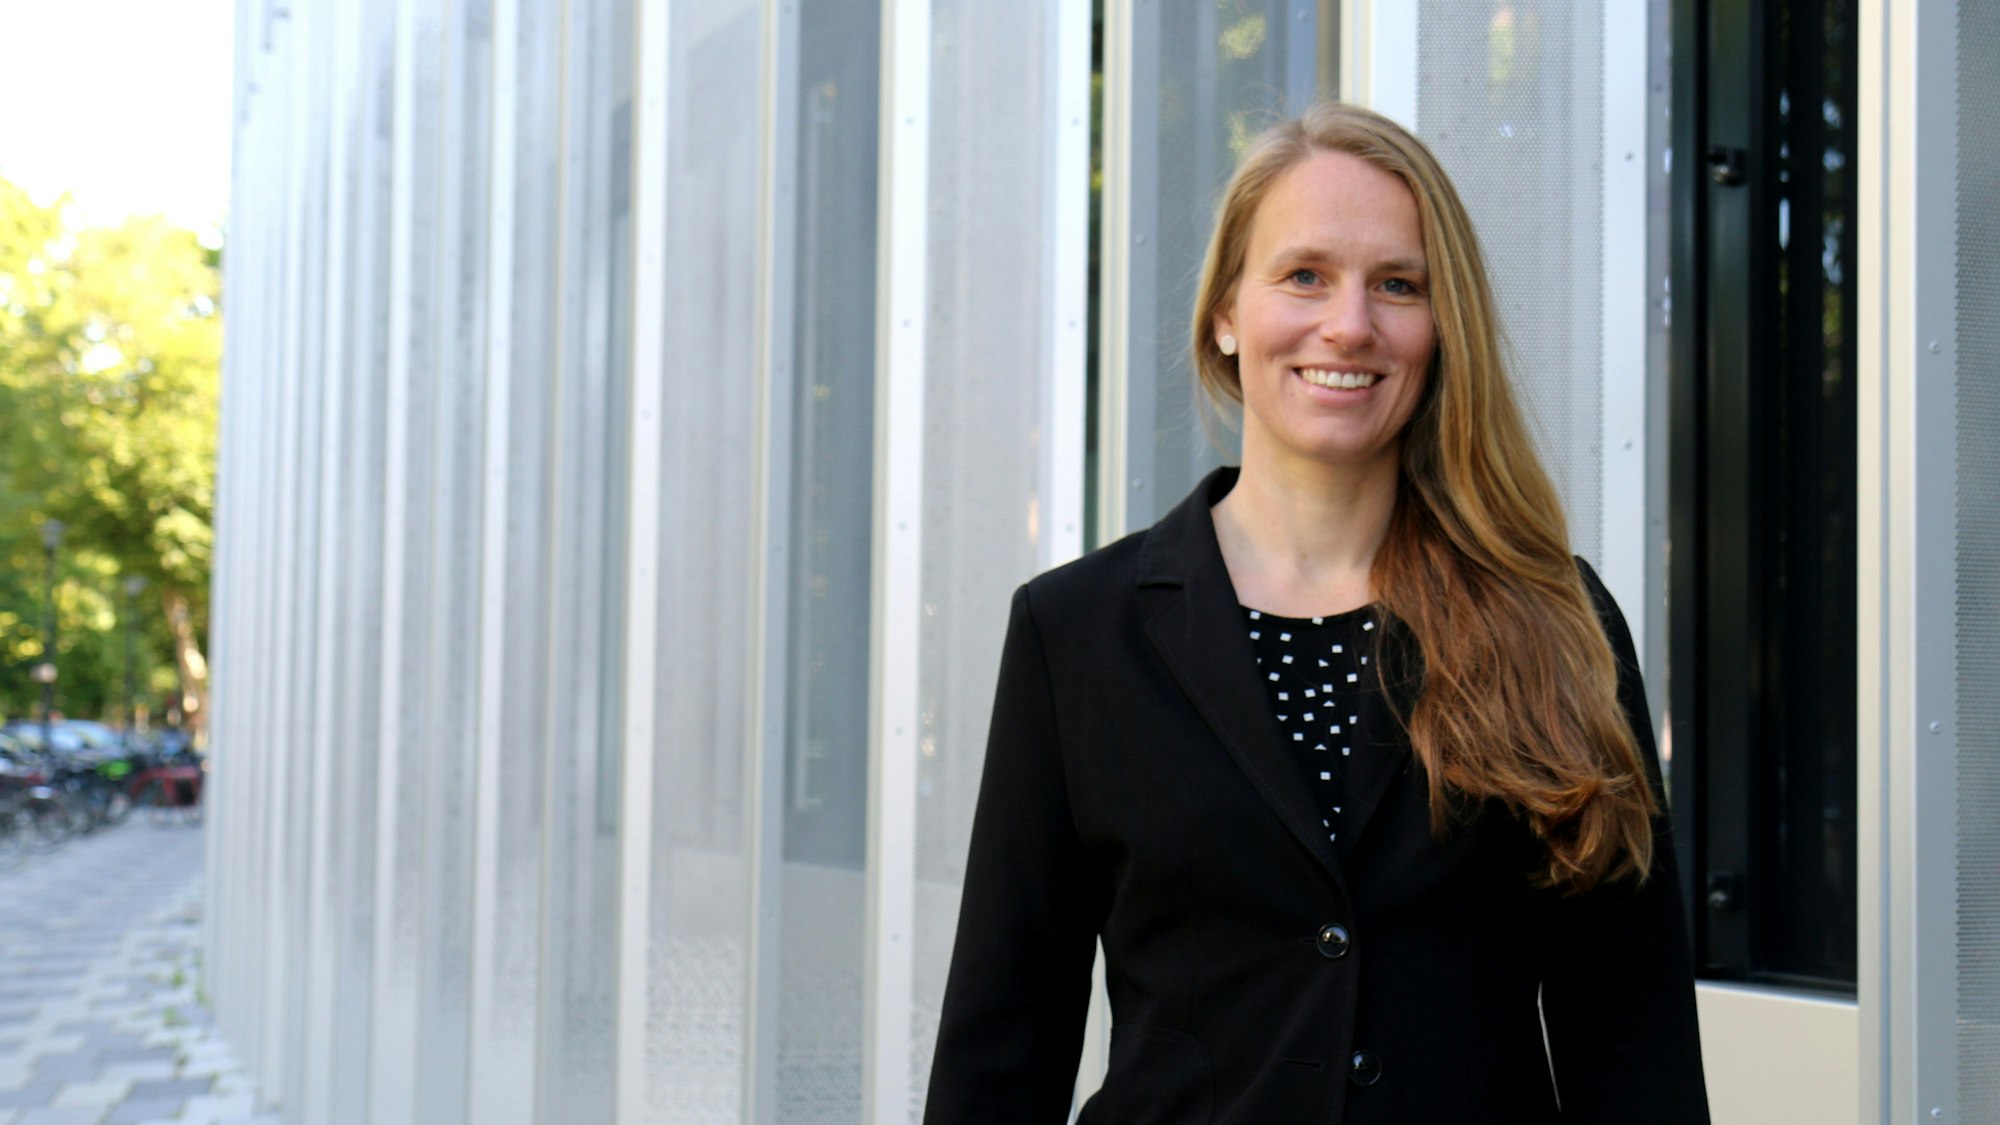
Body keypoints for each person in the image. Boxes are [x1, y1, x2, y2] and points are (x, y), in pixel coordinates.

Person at [923, 102, 1709, 1124]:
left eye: (1397, 285)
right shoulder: (1074, 634)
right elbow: (1001, 1042)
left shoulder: (1552, 616)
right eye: (1303, 276)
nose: (1348, 324)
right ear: (1224, 313)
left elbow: (1632, 1044)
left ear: (1439, 327)